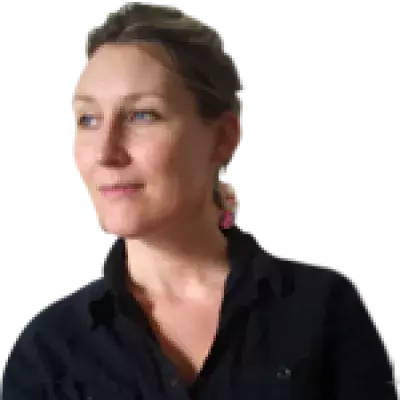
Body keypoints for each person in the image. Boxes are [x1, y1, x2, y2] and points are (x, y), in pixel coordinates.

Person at [2, 2, 399, 399]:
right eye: (87, 119)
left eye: (142, 115)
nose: (106, 153)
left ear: (223, 138)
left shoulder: (324, 309)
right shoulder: (47, 348)